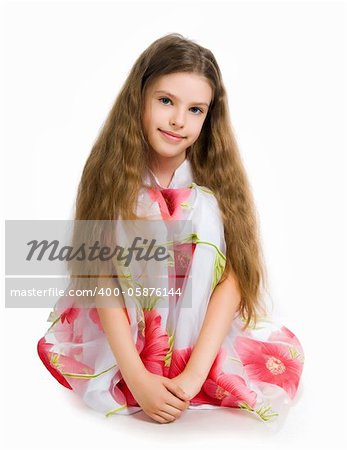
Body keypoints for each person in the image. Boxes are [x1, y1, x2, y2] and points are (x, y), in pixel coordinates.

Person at [37, 33, 305, 427]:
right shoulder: (111, 176)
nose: (179, 120)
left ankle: (188, 364)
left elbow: (235, 276)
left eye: (196, 109)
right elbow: (101, 274)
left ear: (208, 116)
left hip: (201, 335)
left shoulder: (214, 183)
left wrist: (194, 373)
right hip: (128, 331)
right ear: (139, 99)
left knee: (205, 207)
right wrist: (137, 376)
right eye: (166, 101)